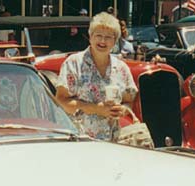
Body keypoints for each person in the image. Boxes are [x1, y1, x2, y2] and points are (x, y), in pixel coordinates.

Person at [55, 12, 139, 141]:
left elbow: (129, 101)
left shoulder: (121, 68)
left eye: (108, 37)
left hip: (113, 142)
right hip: (79, 140)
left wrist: (122, 110)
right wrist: (94, 108)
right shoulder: (73, 63)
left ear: (115, 41)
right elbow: (61, 101)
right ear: (90, 37)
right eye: (98, 35)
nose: (102, 41)